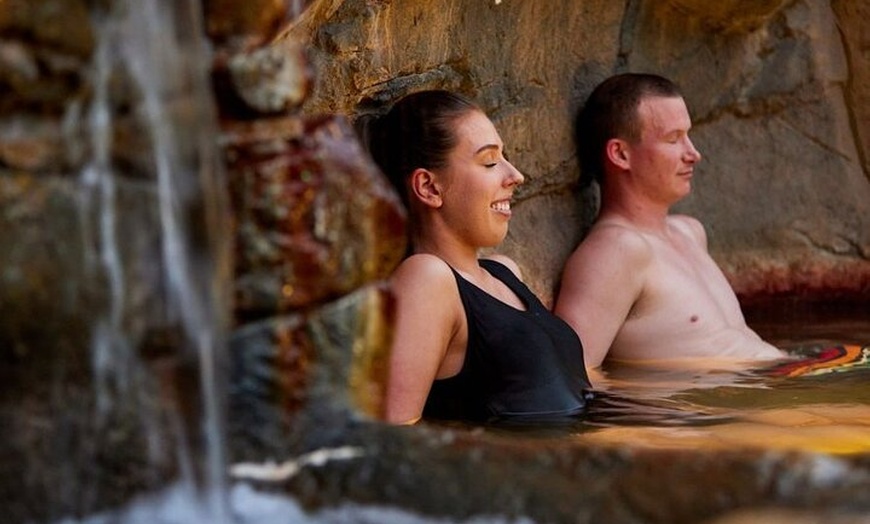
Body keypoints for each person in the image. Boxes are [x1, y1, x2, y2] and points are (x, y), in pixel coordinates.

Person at [361, 90, 592, 425]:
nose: (515, 176)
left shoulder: (503, 273)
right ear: (429, 188)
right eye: (489, 162)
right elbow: (391, 437)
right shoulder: (428, 280)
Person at [554, 73, 786, 370]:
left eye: (688, 135)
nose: (693, 154)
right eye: (673, 139)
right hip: (719, 410)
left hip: (776, 382)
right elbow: (571, 374)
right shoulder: (614, 252)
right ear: (620, 154)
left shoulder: (689, 232)